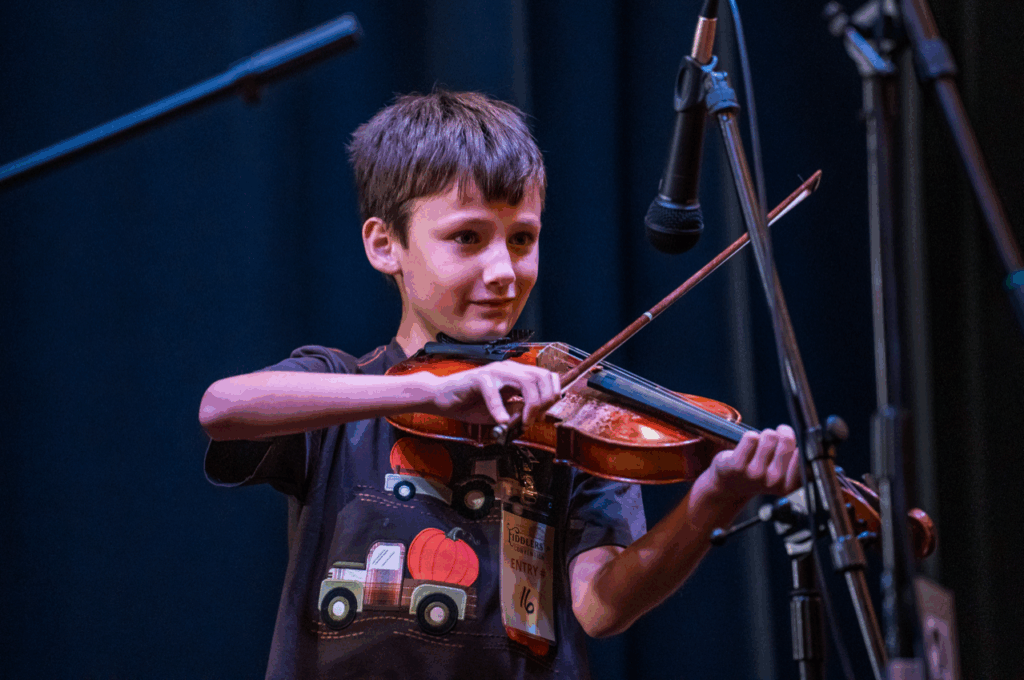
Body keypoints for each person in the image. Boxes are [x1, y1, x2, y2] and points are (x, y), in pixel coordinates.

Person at [199, 90, 800, 680]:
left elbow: (601, 608)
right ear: (385, 245)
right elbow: (224, 406)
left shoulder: (571, 409)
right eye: (467, 238)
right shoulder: (342, 386)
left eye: (522, 239)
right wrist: (425, 392)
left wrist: (710, 502)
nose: (504, 272)